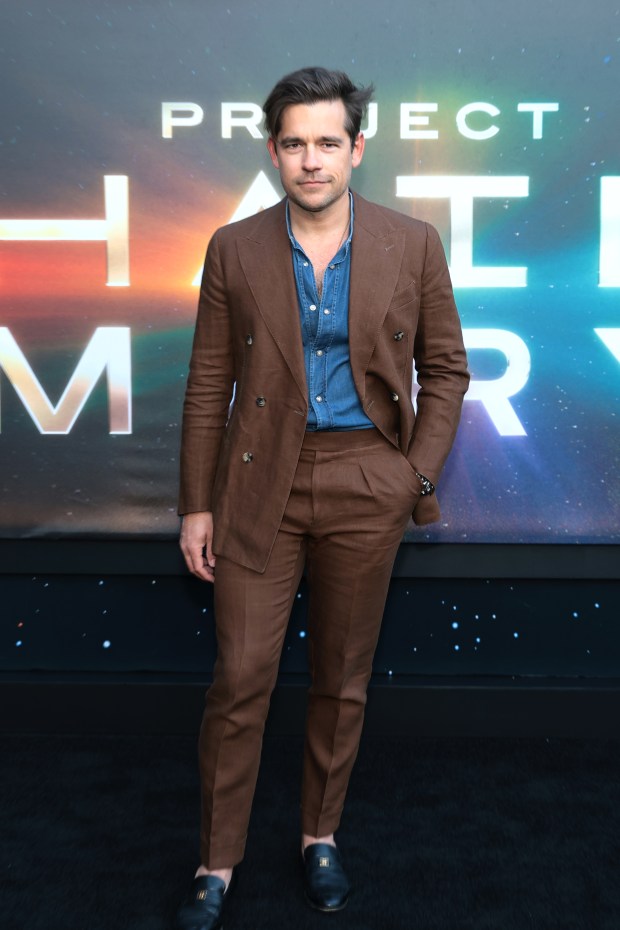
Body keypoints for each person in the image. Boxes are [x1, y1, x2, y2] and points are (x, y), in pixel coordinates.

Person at [175, 66, 469, 930]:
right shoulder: (234, 247)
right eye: (294, 144)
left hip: (365, 481)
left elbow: (446, 369)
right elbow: (206, 386)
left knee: (341, 679)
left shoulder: (411, 243)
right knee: (241, 676)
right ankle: (215, 863)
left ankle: (320, 837)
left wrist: (411, 476)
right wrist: (197, 504)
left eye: (327, 143)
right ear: (274, 152)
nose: (311, 160)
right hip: (256, 484)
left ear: (356, 149)